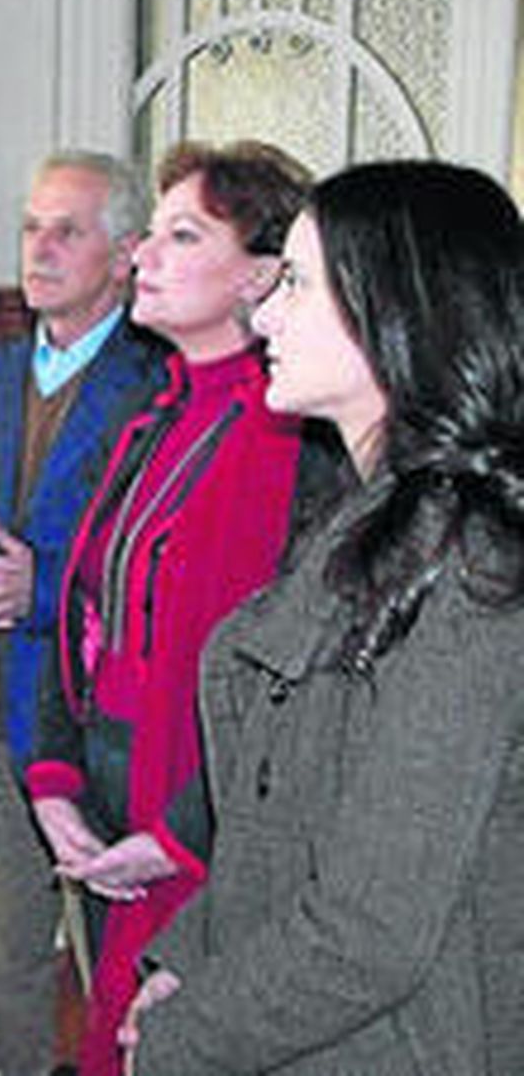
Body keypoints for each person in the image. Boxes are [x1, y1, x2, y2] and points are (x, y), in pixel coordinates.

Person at [121, 160, 524, 1075]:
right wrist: (189, 960)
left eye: (296, 283)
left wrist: (186, 1038)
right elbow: (280, 817)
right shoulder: (366, 516)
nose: (263, 315)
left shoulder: (473, 569)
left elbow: (370, 929)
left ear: (396, 310)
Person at [25, 141, 314, 1076]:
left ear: (262, 276)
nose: (141, 253)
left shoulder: (307, 449)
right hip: (113, 764)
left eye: (181, 235)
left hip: (209, 804)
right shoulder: (149, 409)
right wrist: (55, 772)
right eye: (149, 231)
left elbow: (292, 699)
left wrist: (186, 831)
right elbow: (80, 607)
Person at [0, 150, 165, 1076]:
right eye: (31, 226)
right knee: (1, 974)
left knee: (120, 976)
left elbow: (159, 570)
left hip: (103, 735)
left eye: (68, 229)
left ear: (126, 253)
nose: (41, 247)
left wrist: (42, 591)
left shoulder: (158, 383)